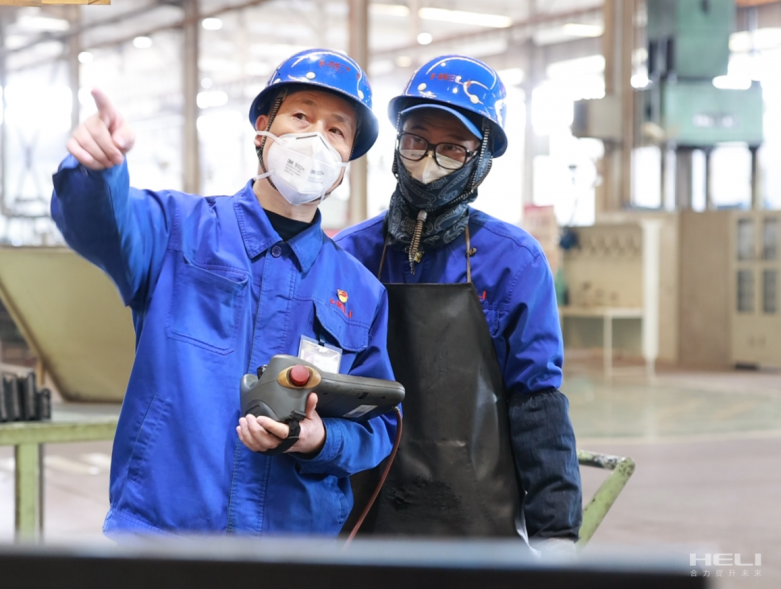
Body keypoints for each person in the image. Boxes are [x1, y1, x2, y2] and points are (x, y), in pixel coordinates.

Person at [51, 49, 399, 536]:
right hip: (164, 539)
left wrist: (321, 439)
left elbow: (377, 424)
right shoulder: (178, 230)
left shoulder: (359, 291)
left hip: (292, 554)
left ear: (345, 164)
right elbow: (101, 225)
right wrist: (97, 172)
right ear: (263, 130)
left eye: (336, 131)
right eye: (301, 117)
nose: (316, 139)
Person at [334, 55, 582, 554]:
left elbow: (536, 402)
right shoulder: (348, 254)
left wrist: (555, 532)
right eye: (416, 140)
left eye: (452, 148)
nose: (427, 161)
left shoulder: (513, 262)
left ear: (481, 160)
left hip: (475, 522)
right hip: (362, 519)